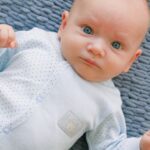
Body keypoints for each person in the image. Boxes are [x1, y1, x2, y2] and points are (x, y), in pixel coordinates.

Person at [0, 0, 149, 149]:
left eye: (116, 45)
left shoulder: (106, 102)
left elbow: (111, 145)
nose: (96, 49)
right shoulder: (36, 41)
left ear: (130, 60)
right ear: (64, 25)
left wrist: (140, 145)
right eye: (88, 30)